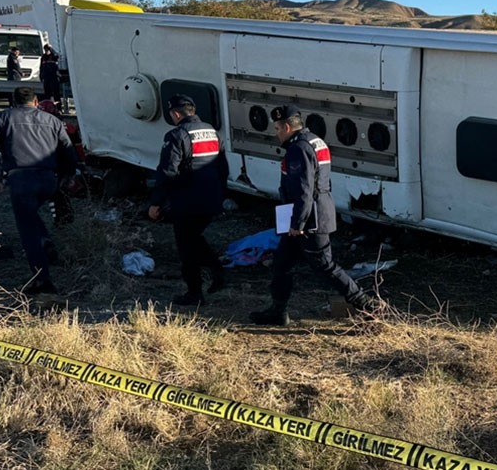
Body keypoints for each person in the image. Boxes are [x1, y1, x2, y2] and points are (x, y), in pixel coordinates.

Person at [249, 104, 371, 326]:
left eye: (277, 128)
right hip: (310, 213)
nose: (276, 134)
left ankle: (368, 306)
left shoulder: (299, 149)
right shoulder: (315, 140)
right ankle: (278, 311)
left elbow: (304, 190)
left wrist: (298, 223)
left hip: (308, 219)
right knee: (281, 264)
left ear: (287, 127)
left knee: (325, 265)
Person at [0, 86, 77, 294]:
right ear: (36, 101)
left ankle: (42, 280)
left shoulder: (5, 117)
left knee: (27, 229)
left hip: (21, 178)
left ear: (13, 101)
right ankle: (45, 241)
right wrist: (67, 175)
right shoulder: (52, 120)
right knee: (31, 214)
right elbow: (68, 150)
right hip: (49, 178)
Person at [147, 94, 229, 305]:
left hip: (188, 201)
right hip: (211, 199)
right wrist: (221, 195)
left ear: (176, 114)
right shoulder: (212, 132)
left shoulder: (177, 135)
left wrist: (156, 202)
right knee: (194, 238)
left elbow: (167, 171)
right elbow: (222, 168)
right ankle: (216, 270)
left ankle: (195, 293)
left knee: (186, 247)